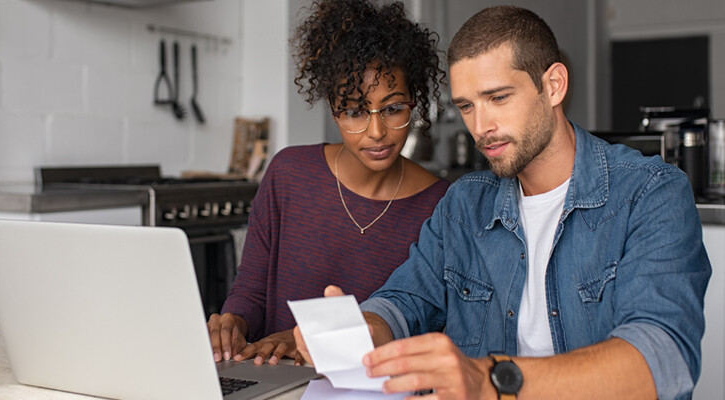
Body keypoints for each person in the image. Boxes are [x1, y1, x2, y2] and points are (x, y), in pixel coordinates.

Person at [295, 5, 711, 399]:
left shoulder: (651, 193)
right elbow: (406, 301)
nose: (481, 127)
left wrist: (492, 381)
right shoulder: (464, 204)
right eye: (466, 106)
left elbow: (661, 358)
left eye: (498, 98)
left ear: (553, 86)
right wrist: (363, 329)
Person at [208, 0, 450, 366]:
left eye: (392, 108)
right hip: (274, 381)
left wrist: (302, 340)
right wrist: (233, 323)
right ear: (332, 108)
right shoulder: (288, 174)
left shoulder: (441, 205)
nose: (376, 132)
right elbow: (251, 292)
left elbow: (422, 326)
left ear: (414, 101)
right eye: (354, 111)